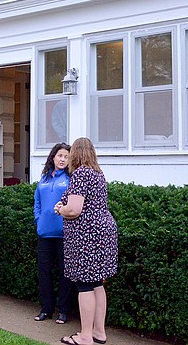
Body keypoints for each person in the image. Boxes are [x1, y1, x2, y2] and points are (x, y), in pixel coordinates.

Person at [55, 138, 118, 345]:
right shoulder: (98, 174)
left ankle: (84, 336)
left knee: (85, 285)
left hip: (87, 235)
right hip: (104, 232)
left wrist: (61, 210)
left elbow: (74, 210)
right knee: (97, 283)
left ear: (75, 154)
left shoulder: (81, 173)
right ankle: (99, 332)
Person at [33, 142, 73, 324]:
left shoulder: (71, 178)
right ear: (53, 157)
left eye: (66, 156)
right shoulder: (45, 177)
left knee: (65, 274)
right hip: (44, 233)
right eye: (60, 156)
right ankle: (46, 309)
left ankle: (64, 311)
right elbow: (37, 201)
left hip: (64, 234)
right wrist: (38, 219)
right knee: (44, 273)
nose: (63, 159)